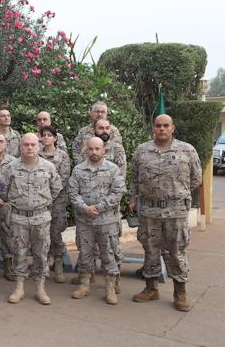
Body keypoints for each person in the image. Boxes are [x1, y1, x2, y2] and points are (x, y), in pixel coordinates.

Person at [130, 114, 202, 312]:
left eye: (165, 125)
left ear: (172, 128)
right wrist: (133, 199)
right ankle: (151, 288)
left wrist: (176, 193)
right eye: (158, 125)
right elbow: (135, 178)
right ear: (153, 127)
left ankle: (180, 293)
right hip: (149, 210)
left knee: (176, 252)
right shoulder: (142, 150)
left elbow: (196, 178)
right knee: (150, 250)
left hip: (175, 211)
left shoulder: (187, 150)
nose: (161, 128)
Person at [0, 133, 62, 305]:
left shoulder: (48, 167)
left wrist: (42, 204)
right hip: (19, 218)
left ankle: (40, 288)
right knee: (19, 253)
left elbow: (56, 189)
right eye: (26, 145)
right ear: (20, 147)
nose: (29, 148)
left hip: (41, 218)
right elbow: (1, 190)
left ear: (38, 146)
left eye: (33, 144)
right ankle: (19, 287)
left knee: (41, 254)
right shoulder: (10, 168)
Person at [68, 137, 126, 305]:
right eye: (91, 149)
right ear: (86, 150)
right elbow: (73, 192)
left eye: (97, 149)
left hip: (106, 221)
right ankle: (85, 285)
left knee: (109, 254)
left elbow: (117, 192)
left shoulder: (113, 169)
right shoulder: (78, 170)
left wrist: (99, 208)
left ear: (104, 150)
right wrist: (85, 208)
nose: (94, 152)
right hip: (85, 221)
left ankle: (110, 288)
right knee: (85, 253)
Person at [39, 125, 71, 283]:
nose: (46, 138)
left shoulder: (63, 156)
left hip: (57, 201)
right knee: (41, 233)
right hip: (39, 202)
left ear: (55, 138)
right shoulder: (36, 155)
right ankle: (44, 263)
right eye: (43, 135)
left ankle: (58, 262)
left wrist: (49, 196)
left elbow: (63, 179)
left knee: (55, 232)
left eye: (49, 135)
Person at [0, 132, 18, 281]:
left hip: (7, 205)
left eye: (2, 141)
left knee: (8, 236)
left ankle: (8, 265)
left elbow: (17, 185)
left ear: (6, 144)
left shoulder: (14, 162)